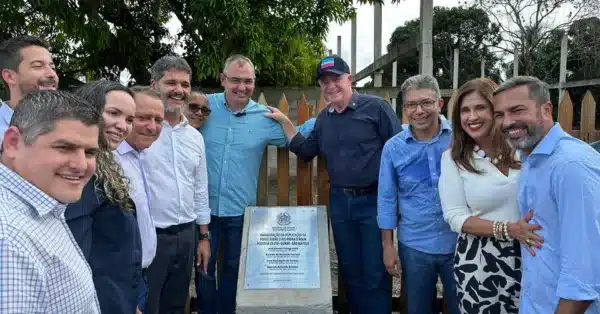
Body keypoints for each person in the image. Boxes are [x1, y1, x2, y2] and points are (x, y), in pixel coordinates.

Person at [265, 55, 401, 314]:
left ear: (349, 79)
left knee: (375, 273)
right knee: (350, 272)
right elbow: (305, 151)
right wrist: (285, 122)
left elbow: (398, 153)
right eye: (324, 81)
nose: (330, 86)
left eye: (336, 79)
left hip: (373, 202)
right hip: (340, 203)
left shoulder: (376, 109)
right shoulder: (323, 120)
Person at [196, 54, 314, 314]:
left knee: (233, 270)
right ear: (223, 79)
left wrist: (294, 119)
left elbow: (300, 134)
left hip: (240, 211)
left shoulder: (265, 118)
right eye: (235, 80)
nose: (242, 87)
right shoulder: (204, 108)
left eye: (248, 81)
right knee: (203, 269)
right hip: (203, 212)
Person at [494, 76, 600, 314]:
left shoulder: (571, 165)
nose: (507, 122)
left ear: (546, 109)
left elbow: (583, 277)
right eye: (499, 114)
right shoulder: (531, 158)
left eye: (517, 110)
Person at [439, 78, 541, 314]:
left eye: (480, 107)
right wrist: (509, 229)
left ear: (495, 110)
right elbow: (455, 216)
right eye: (465, 110)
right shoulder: (454, 159)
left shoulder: (523, 147)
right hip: (481, 261)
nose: (471, 117)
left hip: (533, 252)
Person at [0, 90, 101, 313]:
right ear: (13, 143)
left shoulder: (41, 204)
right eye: (64, 147)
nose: (82, 165)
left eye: (90, 152)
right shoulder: (8, 239)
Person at [377, 74, 459, 314]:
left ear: (439, 104)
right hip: (414, 245)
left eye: (426, 103)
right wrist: (387, 246)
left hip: (460, 242)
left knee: (462, 307)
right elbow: (386, 199)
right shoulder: (394, 147)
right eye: (412, 105)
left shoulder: (461, 137)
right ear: (404, 109)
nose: (419, 111)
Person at [65, 80, 142, 314]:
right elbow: (73, 257)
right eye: (113, 113)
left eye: (129, 119)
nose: (123, 126)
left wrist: (130, 301)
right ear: (89, 110)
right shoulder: (78, 174)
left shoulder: (103, 163)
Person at [142, 55, 211, 314]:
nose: (179, 90)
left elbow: (200, 189)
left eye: (185, 84)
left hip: (186, 236)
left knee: (175, 305)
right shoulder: (139, 132)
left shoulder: (195, 137)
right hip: (151, 237)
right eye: (171, 82)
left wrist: (203, 237)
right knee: (148, 306)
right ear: (154, 85)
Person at [114, 86, 165, 313]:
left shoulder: (139, 156)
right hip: (120, 281)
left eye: (158, 119)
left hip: (140, 275)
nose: (152, 126)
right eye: (142, 118)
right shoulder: (110, 162)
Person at [0, 36, 58, 141]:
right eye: (38, 66)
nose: (52, 74)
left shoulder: (68, 126)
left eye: (52, 67)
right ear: (10, 76)